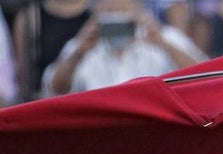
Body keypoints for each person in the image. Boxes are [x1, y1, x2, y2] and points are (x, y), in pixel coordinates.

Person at [41, 0, 202, 95]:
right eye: (109, 11)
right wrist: (78, 54)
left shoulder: (165, 37)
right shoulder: (83, 44)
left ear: (137, 8)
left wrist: (165, 45)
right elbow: (54, 89)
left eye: (122, 10)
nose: (116, 20)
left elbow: (204, 75)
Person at [11, 0, 91, 100]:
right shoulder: (30, 17)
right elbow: (22, 75)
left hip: (89, 100)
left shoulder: (97, 14)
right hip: (41, 102)